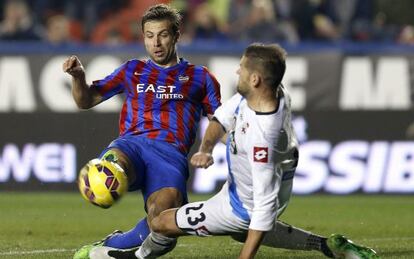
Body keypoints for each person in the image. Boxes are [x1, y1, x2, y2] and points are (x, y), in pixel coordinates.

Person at [132, 43, 379, 259]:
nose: (238, 71)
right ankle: (327, 246)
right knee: (242, 234)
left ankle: (136, 256)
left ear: (255, 79)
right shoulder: (266, 95)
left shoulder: (263, 141)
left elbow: (264, 208)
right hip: (248, 184)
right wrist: (205, 149)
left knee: (161, 222)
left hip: (239, 206)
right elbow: (220, 119)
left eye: (242, 68)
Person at [62, 4, 221, 259]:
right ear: (143, 37)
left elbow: (219, 120)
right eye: (149, 36)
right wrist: (79, 76)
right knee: (110, 168)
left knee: (163, 226)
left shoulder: (200, 77)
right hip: (131, 145)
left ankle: (113, 243)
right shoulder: (132, 70)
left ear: (177, 35)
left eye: (163, 35)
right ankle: (109, 173)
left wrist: (214, 147)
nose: (156, 43)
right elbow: (86, 100)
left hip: (169, 156)